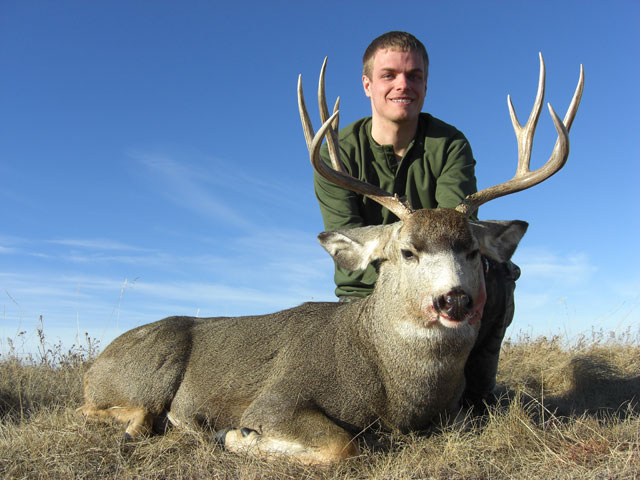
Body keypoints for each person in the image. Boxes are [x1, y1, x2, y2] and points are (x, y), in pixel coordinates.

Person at [314, 31, 520, 406]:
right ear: (367, 84)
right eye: (389, 75)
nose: (402, 85)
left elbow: (453, 225)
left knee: (499, 275)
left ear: (426, 83)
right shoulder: (337, 155)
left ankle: (477, 397)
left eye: (415, 76)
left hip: (442, 279)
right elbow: (349, 244)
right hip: (368, 296)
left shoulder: (449, 143)